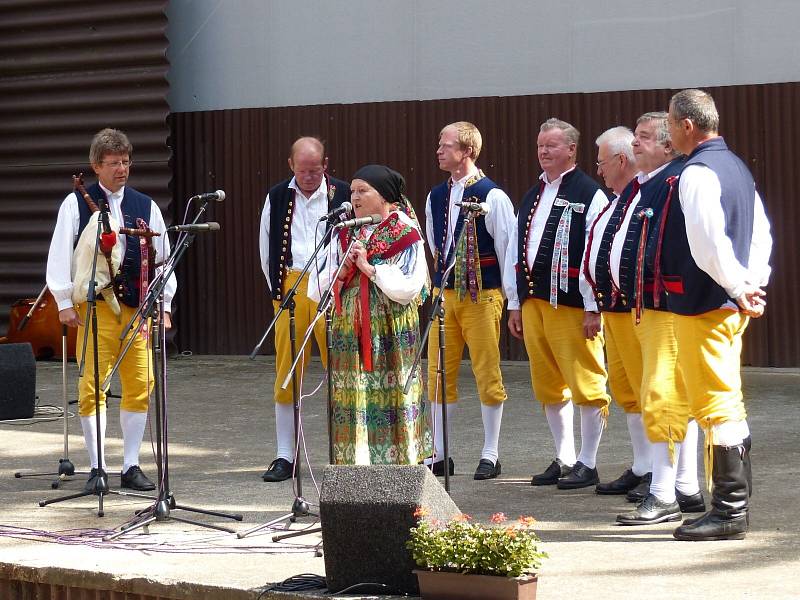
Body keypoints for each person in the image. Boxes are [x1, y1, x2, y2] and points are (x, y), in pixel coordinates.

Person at [655, 89, 772, 540]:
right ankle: (731, 507)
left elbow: (707, 244)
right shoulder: (736, 167)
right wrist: (751, 283)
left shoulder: (698, 172)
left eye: (669, 122)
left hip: (705, 303)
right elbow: (761, 231)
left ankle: (729, 511)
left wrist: (740, 286)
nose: (668, 130)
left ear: (687, 125)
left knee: (716, 403)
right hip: (725, 299)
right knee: (725, 398)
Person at [46, 128, 176, 492]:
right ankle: (98, 468)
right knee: (93, 386)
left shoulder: (145, 205)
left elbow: (163, 260)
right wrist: (64, 302)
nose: (122, 168)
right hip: (97, 308)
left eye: (126, 161)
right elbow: (60, 254)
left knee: (140, 383)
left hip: (136, 310)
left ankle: (130, 464)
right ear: (96, 166)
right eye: (114, 162)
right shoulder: (75, 203)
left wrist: (163, 305)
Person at [504, 118, 610, 490]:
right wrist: (515, 302)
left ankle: (589, 461)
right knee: (548, 384)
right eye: (539, 146)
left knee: (587, 382)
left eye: (551, 146)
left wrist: (592, 306)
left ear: (571, 150)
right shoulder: (531, 195)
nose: (543, 152)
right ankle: (564, 456)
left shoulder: (591, 193)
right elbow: (516, 250)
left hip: (571, 305)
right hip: (535, 303)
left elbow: (597, 252)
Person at [309, 164, 430, 465]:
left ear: (385, 196)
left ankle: (400, 467)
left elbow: (410, 284)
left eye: (363, 190)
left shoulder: (404, 230)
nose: (355, 197)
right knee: (355, 394)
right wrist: (344, 270)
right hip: (350, 329)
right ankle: (356, 463)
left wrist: (371, 269)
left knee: (392, 395)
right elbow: (317, 284)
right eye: (352, 191)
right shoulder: (350, 230)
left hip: (389, 328)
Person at [424, 121, 516, 480]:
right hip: (445, 295)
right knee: (437, 372)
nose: (439, 151)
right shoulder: (435, 196)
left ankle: (490, 452)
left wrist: (513, 300)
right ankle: (439, 452)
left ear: (467, 151)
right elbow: (436, 244)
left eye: (446, 145)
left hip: (483, 295)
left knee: (486, 371)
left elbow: (507, 250)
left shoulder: (493, 196)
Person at [258, 137, 350, 482]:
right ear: (290, 165)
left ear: (325, 165)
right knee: (287, 370)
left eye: (315, 170)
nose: (309, 177)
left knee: (339, 368)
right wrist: (277, 292)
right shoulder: (277, 196)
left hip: (332, 285)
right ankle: (286, 454)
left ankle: (342, 452)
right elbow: (266, 247)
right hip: (292, 286)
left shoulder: (343, 193)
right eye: (302, 170)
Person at [584, 126, 650, 497]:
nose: (599, 170)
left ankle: (661, 471)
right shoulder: (618, 201)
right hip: (614, 309)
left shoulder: (640, 196)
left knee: (647, 389)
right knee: (626, 390)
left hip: (636, 310)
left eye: (602, 162)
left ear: (621, 161)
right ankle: (643, 465)